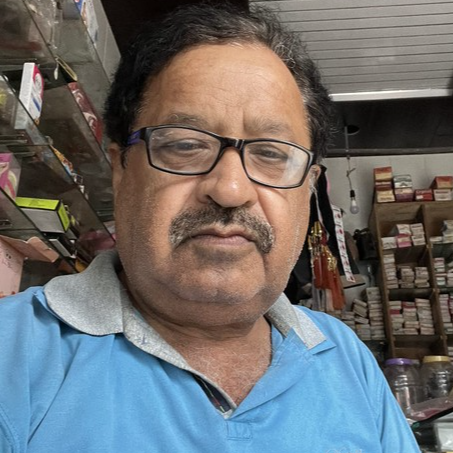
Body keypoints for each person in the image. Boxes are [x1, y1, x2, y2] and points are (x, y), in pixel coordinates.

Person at [0, 4, 420, 452]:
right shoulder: (14, 352)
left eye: (271, 153)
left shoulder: (343, 356)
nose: (231, 189)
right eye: (185, 145)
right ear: (121, 170)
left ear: (308, 187)